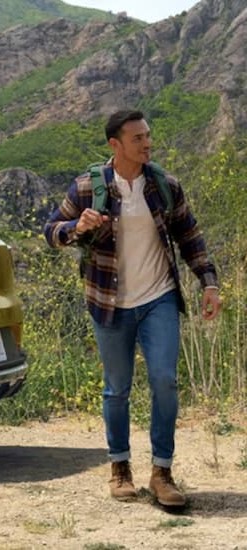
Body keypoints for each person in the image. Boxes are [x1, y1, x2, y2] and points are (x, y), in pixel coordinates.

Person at [43, 109, 221, 507]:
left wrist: (208, 283)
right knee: (116, 389)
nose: (147, 143)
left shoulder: (163, 185)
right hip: (109, 302)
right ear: (115, 144)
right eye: (138, 138)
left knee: (165, 380)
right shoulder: (88, 188)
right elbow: (51, 232)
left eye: (148, 136)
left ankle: (162, 472)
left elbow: (191, 237)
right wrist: (77, 228)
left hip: (157, 298)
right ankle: (119, 467)